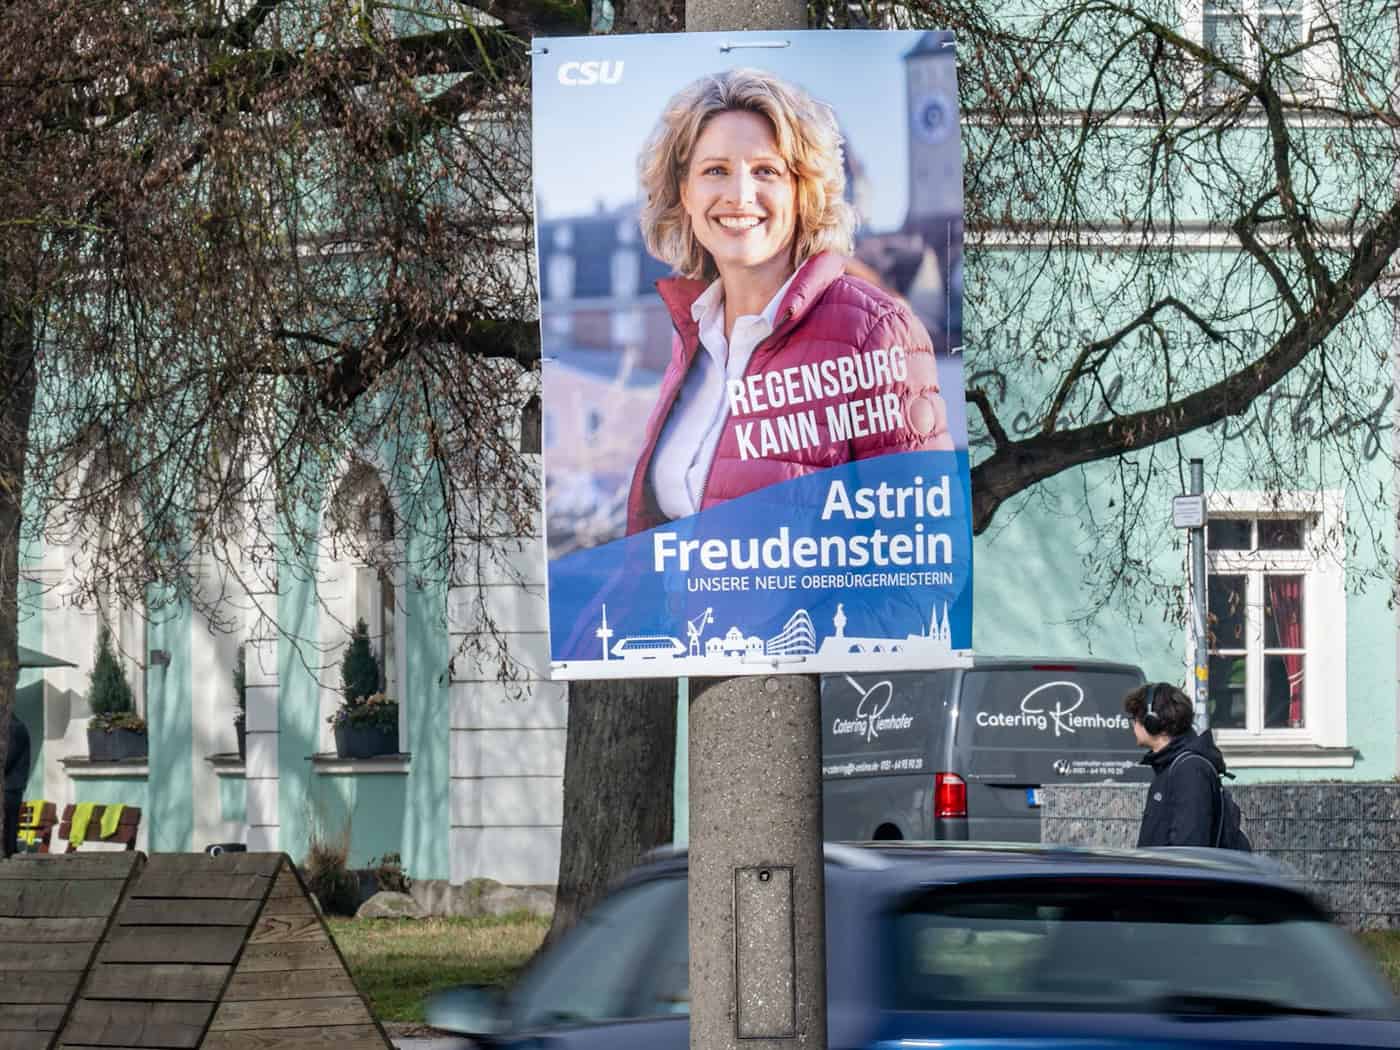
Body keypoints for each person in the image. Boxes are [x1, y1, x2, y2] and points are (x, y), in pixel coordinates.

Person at [627, 68, 954, 535]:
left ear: (802, 192)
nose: (739, 195)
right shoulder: (696, 335)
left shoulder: (875, 334)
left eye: (766, 171)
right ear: (685, 192)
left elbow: (923, 566)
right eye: (715, 170)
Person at [1124, 682, 1228, 848]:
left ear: (1152, 721)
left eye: (1134, 718)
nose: (1132, 725)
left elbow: (1189, 849)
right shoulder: (1168, 765)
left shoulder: (1190, 770)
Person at [3, 709, 31, 858]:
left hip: (9, 788)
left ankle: (8, 860)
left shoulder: (14, 728)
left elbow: (6, 760)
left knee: (8, 831)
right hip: (8, 788)